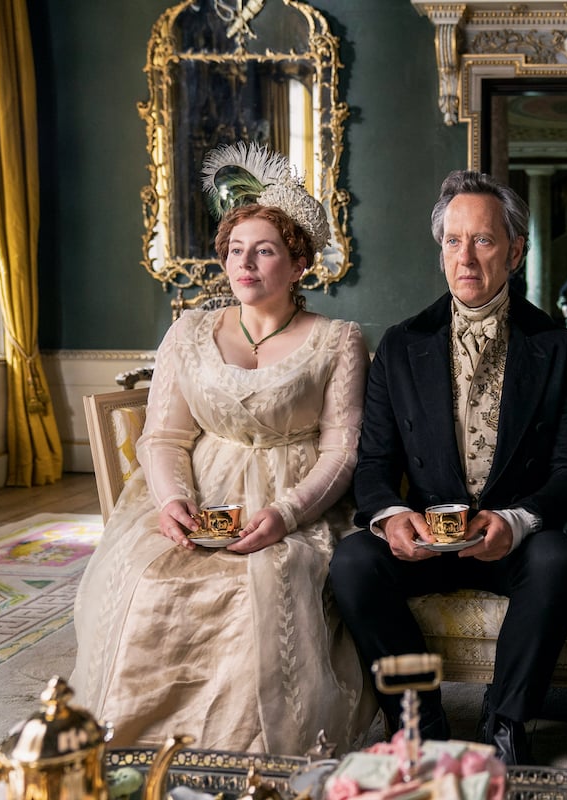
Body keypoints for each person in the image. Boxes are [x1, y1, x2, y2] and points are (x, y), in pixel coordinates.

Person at [71, 143, 373, 755]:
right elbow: (164, 436)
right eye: (236, 250)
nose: (246, 264)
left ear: (299, 262)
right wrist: (173, 502)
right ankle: (142, 746)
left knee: (263, 583)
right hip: (201, 491)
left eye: (264, 251)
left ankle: (248, 755)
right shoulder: (188, 332)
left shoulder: (339, 340)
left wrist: (285, 515)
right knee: (148, 577)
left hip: (297, 499)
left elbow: (343, 448)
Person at [329, 170, 567, 766]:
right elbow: (373, 465)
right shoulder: (400, 345)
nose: (465, 257)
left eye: (484, 240)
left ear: (516, 250)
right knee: (351, 561)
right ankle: (418, 721)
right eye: (452, 241)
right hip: (426, 538)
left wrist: (518, 523)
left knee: (558, 558)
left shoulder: (559, 346)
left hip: (509, 541)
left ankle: (505, 722)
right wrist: (394, 518)